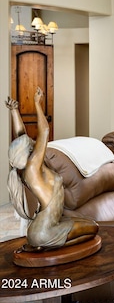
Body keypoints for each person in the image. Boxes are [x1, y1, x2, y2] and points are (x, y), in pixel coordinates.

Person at [6, 87, 98, 251]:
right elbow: (45, 131)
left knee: (88, 223)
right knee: (93, 228)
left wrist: (14, 111)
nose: (31, 140)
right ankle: (47, 246)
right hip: (45, 230)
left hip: (45, 226)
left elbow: (20, 135)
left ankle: (43, 245)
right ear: (27, 151)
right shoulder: (33, 166)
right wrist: (37, 103)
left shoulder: (28, 168)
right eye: (29, 141)